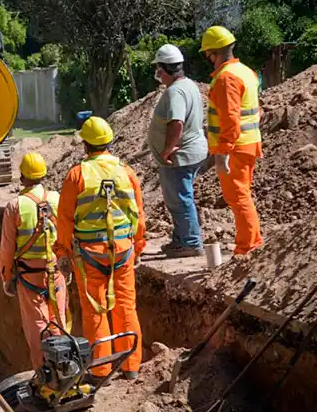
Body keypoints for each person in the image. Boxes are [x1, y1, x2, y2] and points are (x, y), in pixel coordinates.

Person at [55, 116, 145, 382]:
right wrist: (138, 246)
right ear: (108, 142)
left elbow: (65, 219)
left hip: (90, 254)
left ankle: (101, 370)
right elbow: (137, 213)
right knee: (126, 306)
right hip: (123, 250)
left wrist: (62, 253)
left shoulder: (77, 175)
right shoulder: (126, 171)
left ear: (85, 144)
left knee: (95, 311)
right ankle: (131, 367)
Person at [0, 152, 68, 369]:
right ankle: (64, 369)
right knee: (58, 323)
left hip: (29, 276)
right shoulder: (57, 199)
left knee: (37, 326)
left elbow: (7, 248)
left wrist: (6, 277)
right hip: (56, 272)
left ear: (22, 177)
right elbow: (68, 237)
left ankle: (43, 373)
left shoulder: (15, 206)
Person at [200, 26, 263, 256]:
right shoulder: (246, 72)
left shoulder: (226, 79)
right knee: (242, 194)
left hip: (235, 147)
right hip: (249, 142)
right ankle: (251, 241)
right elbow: (256, 110)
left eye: (208, 54)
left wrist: (222, 154)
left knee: (237, 196)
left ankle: (248, 247)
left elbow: (231, 120)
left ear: (213, 53)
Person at [148, 44, 208, 258]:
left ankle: (191, 243)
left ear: (163, 70)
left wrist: (166, 150)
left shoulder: (175, 92)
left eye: (158, 70)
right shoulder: (189, 85)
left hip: (181, 156)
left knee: (180, 199)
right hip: (193, 149)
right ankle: (180, 239)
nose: (158, 75)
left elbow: (177, 123)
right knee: (179, 198)